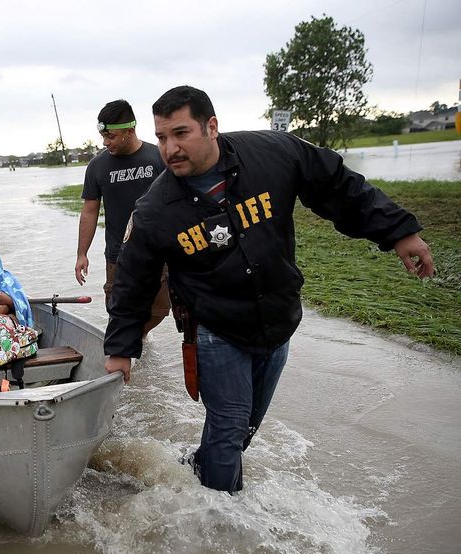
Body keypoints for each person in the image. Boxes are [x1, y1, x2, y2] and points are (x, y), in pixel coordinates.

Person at [104, 85, 435, 493]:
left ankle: (197, 473)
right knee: (230, 425)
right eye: (161, 137)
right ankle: (221, 518)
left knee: (243, 428)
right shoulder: (155, 210)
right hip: (215, 329)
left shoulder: (273, 154)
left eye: (181, 133)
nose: (169, 148)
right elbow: (133, 280)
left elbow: (340, 187)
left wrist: (399, 231)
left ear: (211, 127)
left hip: (277, 320)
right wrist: (120, 350)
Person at [76, 99, 169, 332]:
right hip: (118, 255)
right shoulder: (97, 166)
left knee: (159, 309)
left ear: (130, 131)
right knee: (119, 313)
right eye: (103, 137)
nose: (105, 142)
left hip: (157, 252)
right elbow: (89, 211)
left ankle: (139, 337)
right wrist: (82, 253)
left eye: (111, 137)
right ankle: (128, 340)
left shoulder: (158, 157)